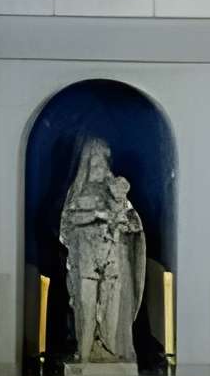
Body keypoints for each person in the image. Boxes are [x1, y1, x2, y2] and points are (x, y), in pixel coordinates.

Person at [59, 136, 147, 363]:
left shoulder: (115, 191)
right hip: (86, 260)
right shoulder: (76, 193)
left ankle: (108, 349)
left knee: (110, 305)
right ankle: (86, 353)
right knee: (87, 306)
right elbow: (66, 227)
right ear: (86, 164)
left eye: (102, 161)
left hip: (110, 259)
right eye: (94, 161)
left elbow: (132, 224)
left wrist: (120, 204)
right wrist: (97, 216)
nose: (99, 166)